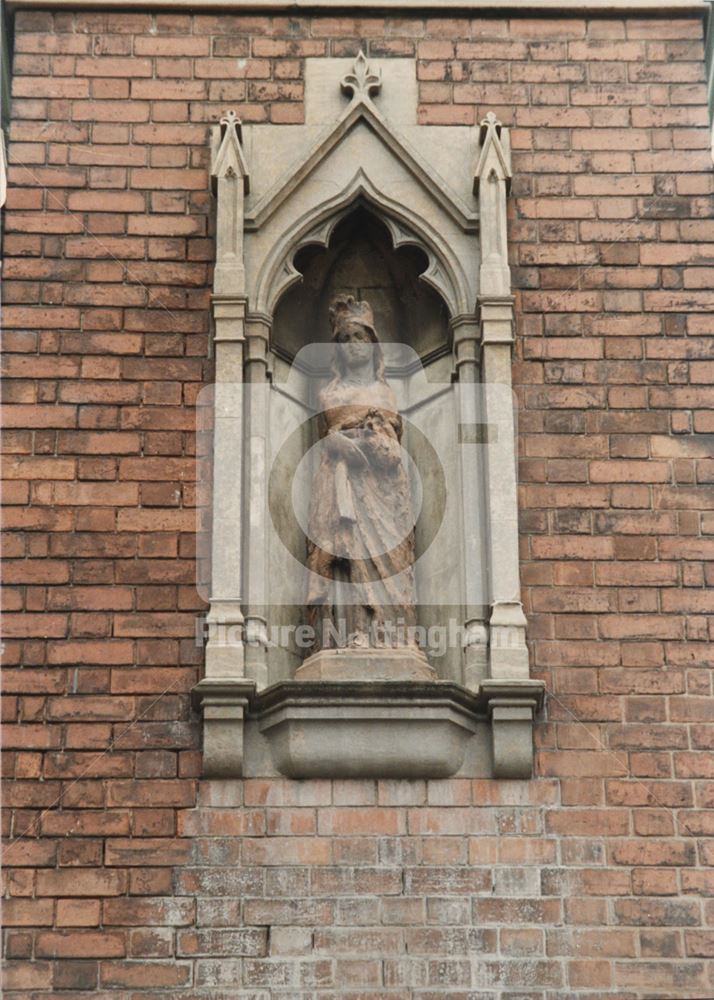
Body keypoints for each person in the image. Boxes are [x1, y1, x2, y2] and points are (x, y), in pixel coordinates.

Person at [304, 293, 420, 655]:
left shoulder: (385, 392)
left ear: (373, 345)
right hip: (341, 482)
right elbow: (330, 434)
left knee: (390, 561)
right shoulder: (330, 392)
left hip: (383, 489)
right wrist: (337, 442)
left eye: (361, 338)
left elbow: (391, 447)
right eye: (346, 339)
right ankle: (349, 634)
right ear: (337, 348)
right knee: (346, 554)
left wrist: (369, 439)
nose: (354, 346)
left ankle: (392, 637)